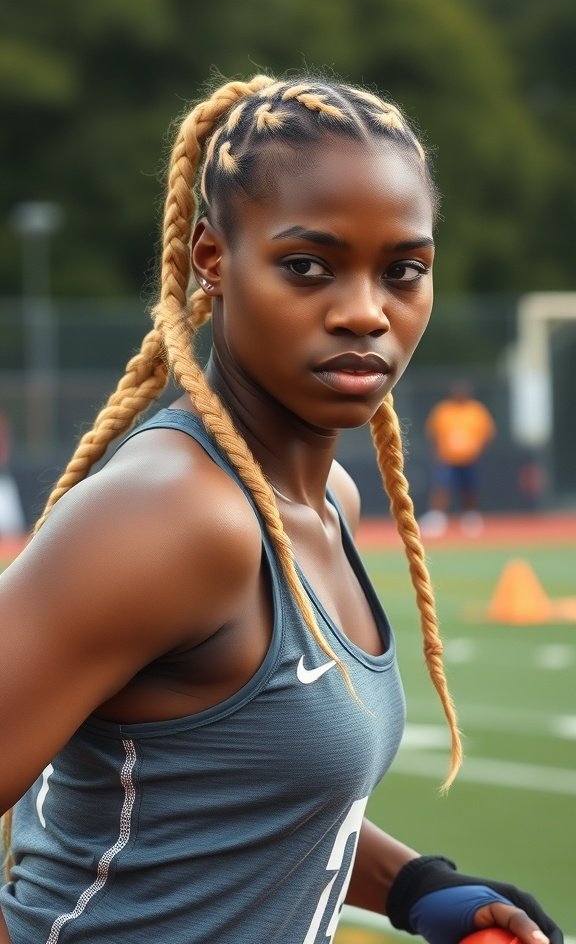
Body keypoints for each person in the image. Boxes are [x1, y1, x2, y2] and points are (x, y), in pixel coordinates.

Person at [0, 74, 562, 944]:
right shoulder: (174, 516)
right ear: (213, 261)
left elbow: (252, 793)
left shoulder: (327, 497)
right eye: (309, 266)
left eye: (403, 271)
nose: (366, 313)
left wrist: (414, 888)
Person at [420, 381, 496, 537]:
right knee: (442, 488)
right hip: (447, 459)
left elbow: (488, 433)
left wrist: (478, 449)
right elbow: (432, 433)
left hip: (470, 459)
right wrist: (437, 452)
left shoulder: (477, 410)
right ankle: (437, 519)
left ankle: (470, 519)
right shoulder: (443, 410)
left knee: (470, 490)